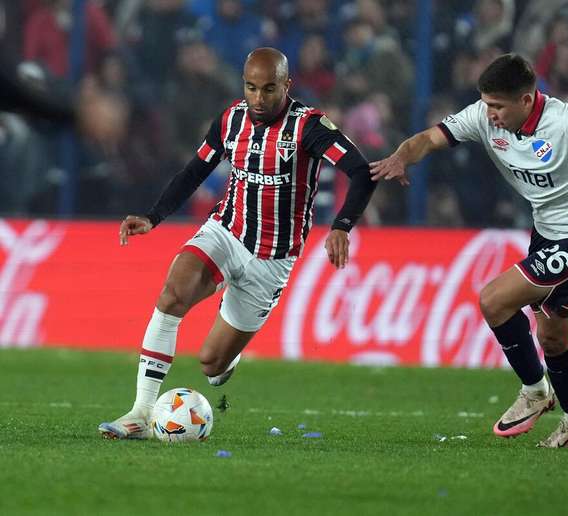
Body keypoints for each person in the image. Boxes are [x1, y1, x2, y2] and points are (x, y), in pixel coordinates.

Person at [370, 53, 568, 448]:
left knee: (494, 301)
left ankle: (535, 391)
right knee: (552, 338)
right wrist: (401, 156)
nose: (491, 115)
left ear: (526, 100)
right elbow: (429, 139)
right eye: (486, 104)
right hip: (547, 236)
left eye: (498, 106)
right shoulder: (483, 116)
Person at [99, 47, 377, 439]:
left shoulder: (309, 127)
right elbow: (196, 169)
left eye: (268, 89)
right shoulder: (231, 120)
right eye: (251, 88)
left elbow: (361, 172)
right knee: (172, 294)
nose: (259, 99)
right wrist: (153, 216)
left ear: (286, 85)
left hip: (272, 259)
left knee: (211, 365)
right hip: (226, 231)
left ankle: (227, 359)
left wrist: (342, 225)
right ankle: (141, 413)